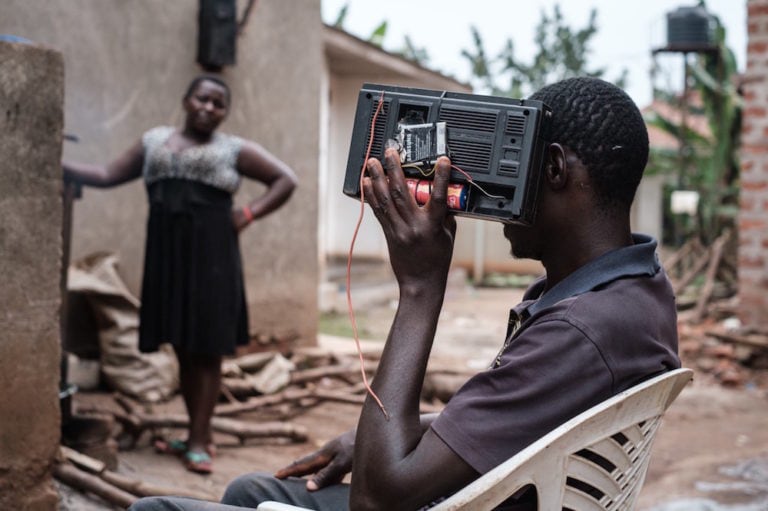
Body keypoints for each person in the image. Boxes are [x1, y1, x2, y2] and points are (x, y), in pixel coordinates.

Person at [129, 76, 680, 509]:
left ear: (555, 167)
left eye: (512, 157)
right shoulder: (636, 291)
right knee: (252, 491)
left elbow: (379, 498)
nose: (484, 186)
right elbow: (542, 414)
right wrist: (413, 431)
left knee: (157, 509)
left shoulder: (581, 328)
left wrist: (420, 286)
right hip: (497, 489)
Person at [63, 75, 298, 475]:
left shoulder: (233, 149)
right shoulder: (154, 141)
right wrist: (56, 160)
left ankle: (200, 441)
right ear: (186, 101)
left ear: (225, 111)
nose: (209, 108)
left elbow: (285, 179)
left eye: (218, 103)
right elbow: (105, 174)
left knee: (206, 348)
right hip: (168, 257)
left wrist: (247, 213)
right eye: (202, 99)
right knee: (185, 347)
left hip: (213, 257)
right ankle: (193, 434)